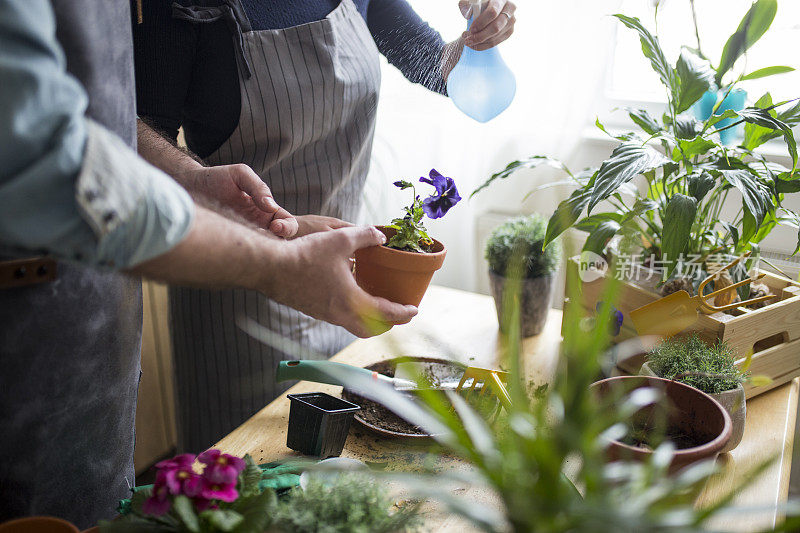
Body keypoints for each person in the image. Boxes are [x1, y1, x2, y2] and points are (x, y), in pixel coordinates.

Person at [0, 0, 416, 527]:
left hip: (111, 312)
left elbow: (101, 115)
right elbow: (48, 152)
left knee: (99, 504)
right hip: (48, 321)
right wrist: (276, 263)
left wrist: (188, 177)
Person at [132, 0, 518, 453]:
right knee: (253, 480)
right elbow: (131, 134)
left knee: (336, 476)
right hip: (240, 286)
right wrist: (195, 177)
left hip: (346, 279)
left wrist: (475, 42)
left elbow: (431, 63)